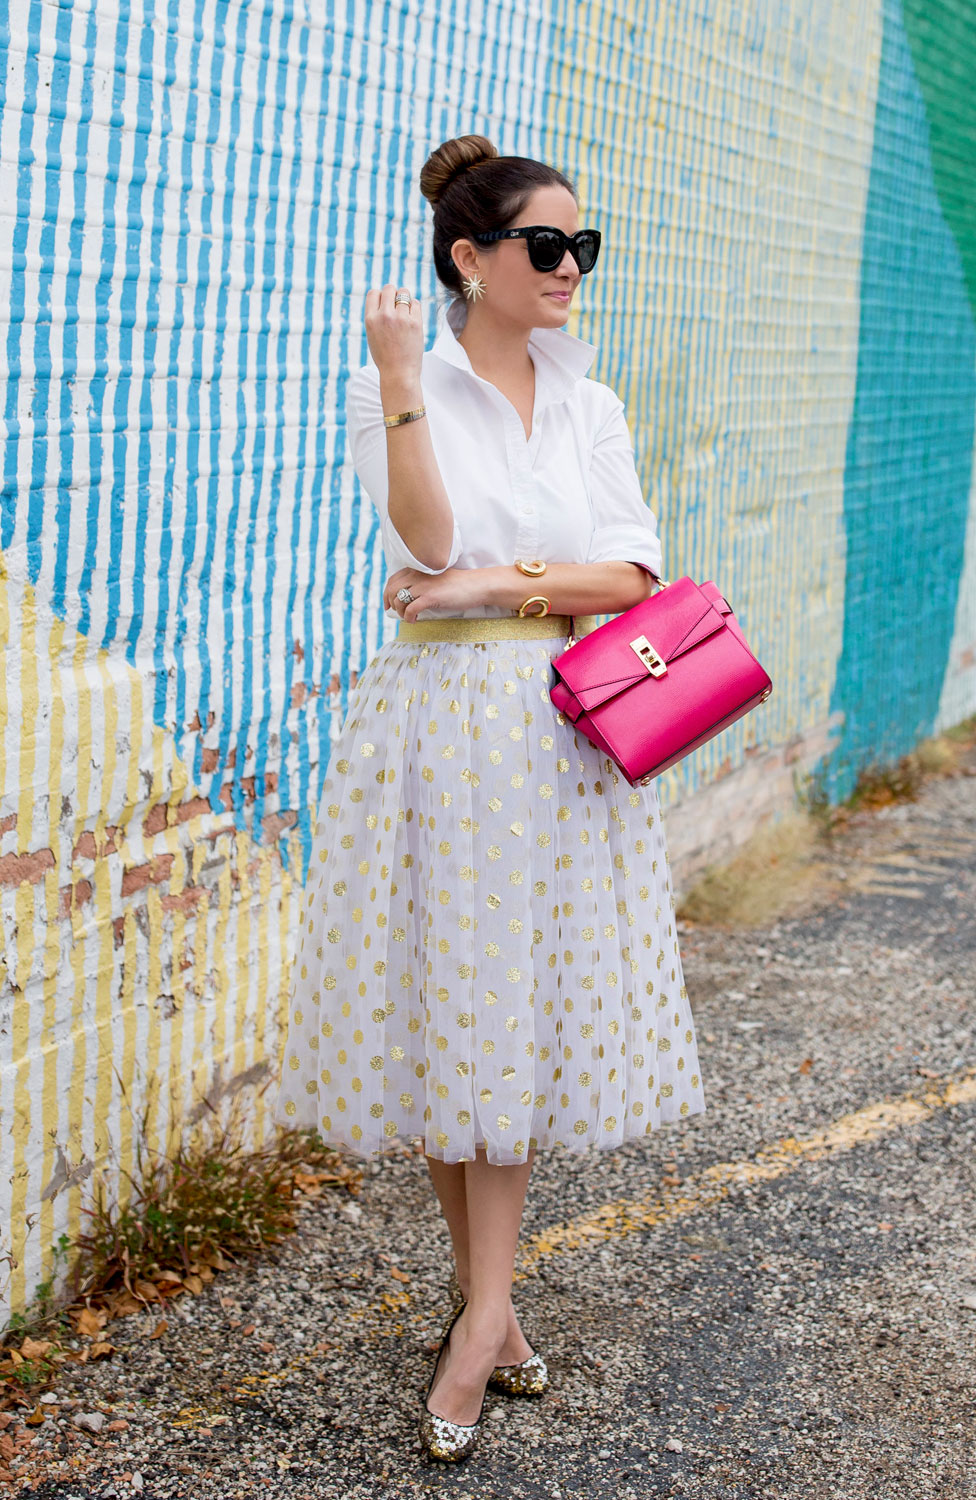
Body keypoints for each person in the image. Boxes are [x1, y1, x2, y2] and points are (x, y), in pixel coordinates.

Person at [274, 133, 704, 1462]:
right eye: (545, 247)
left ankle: (482, 1319)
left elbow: (634, 576)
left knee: (508, 1016)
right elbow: (421, 544)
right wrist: (404, 379)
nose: (572, 268)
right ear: (472, 257)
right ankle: (493, 1316)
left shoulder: (594, 403)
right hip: (437, 729)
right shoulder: (403, 385)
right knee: (454, 1016)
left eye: (585, 247)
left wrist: (495, 588)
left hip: (559, 732)